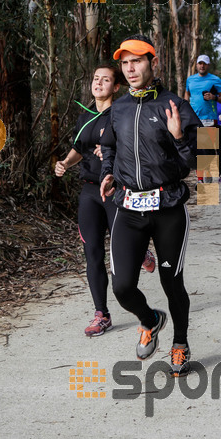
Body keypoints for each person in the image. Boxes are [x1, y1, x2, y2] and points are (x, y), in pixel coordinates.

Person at [100, 35, 201, 377]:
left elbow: (199, 159)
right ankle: (151, 319)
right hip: (128, 207)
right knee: (123, 286)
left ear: (153, 63)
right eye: (125, 63)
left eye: (137, 61)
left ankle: (180, 343)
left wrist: (178, 137)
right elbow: (109, 146)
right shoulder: (119, 108)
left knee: (172, 281)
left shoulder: (174, 105)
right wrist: (107, 173)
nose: (130, 68)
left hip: (168, 206)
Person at [55, 64, 156, 338]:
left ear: (116, 87)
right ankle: (102, 314)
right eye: (96, 78)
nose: (99, 83)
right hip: (89, 191)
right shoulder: (85, 116)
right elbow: (78, 148)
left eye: (106, 79)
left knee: (121, 253)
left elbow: (138, 146)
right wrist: (65, 162)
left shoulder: (122, 113)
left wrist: (112, 151)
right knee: (93, 254)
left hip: (116, 190)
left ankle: (139, 253)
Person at [184, 54, 221, 184]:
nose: (202, 66)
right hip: (193, 118)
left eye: (205, 63)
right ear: (196, 65)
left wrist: (214, 97)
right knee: (196, 148)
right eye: (200, 63)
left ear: (208, 65)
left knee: (207, 148)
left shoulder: (215, 80)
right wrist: (185, 107)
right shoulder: (190, 80)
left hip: (209, 118)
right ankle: (201, 178)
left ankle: (207, 169)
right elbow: (187, 93)